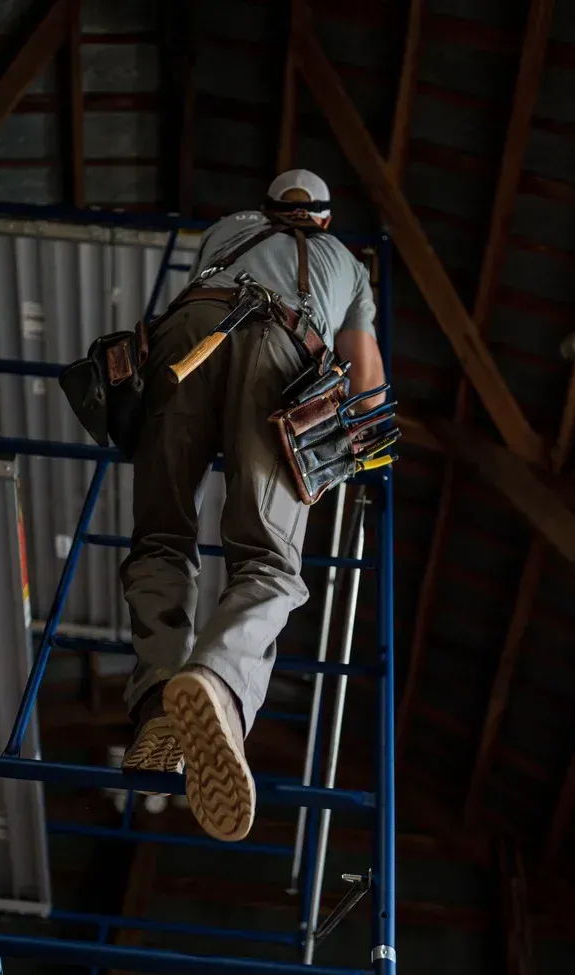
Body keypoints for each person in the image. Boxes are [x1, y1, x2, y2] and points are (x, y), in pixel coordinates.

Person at [120, 169, 385, 842]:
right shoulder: (347, 265)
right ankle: (218, 682)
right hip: (282, 352)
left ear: (267, 206)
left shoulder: (226, 230)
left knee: (161, 536)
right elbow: (370, 390)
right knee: (267, 560)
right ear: (322, 219)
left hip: (185, 338)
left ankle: (158, 698)